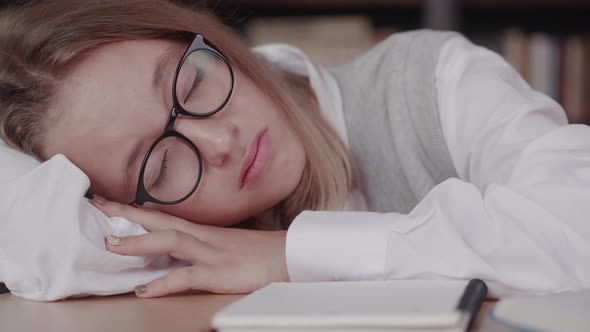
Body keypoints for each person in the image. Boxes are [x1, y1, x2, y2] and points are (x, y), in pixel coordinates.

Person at [1, 0, 589, 301]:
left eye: (193, 84)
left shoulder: (431, 81)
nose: (220, 141)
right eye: (161, 163)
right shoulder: (171, 248)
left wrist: (292, 254)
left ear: (200, 36)